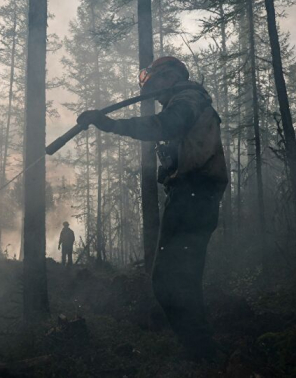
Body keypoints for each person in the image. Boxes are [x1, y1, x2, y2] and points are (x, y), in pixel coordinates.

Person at [77, 56, 228, 361]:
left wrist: (110, 124)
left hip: (194, 196)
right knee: (180, 281)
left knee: (170, 282)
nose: (154, 93)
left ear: (170, 77)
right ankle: (206, 357)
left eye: (154, 84)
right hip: (192, 196)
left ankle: (206, 359)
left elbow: (166, 124)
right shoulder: (189, 100)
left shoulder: (188, 99)